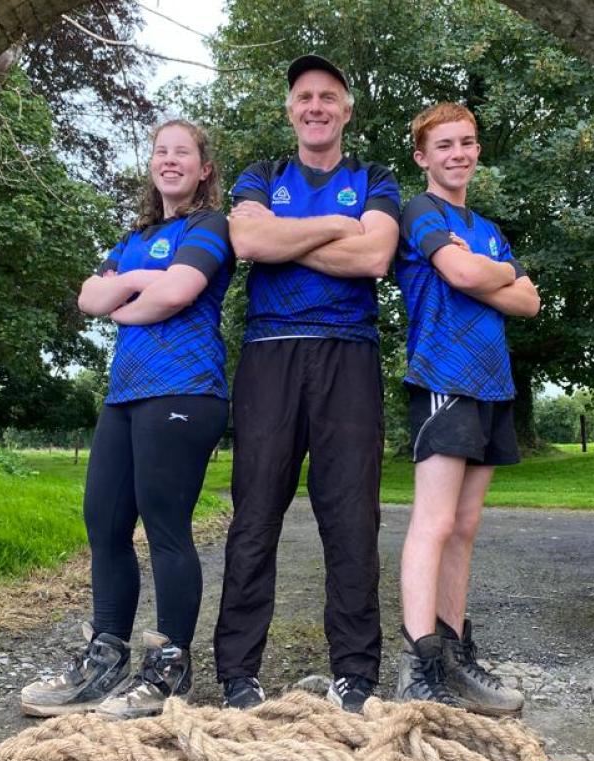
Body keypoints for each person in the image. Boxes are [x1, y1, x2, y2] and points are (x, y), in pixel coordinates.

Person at [21, 120, 234, 719]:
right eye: (160, 152)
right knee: (104, 522)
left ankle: (169, 668)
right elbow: (91, 298)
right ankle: (104, 657)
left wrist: (133, 294)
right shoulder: (134, 235)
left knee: (165, 526)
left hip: (187, 390)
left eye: (182, 153)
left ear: (203, 168)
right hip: (124, 396)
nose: (170, 161)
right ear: (152, 164)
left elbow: (179, 292)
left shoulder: (209, 226)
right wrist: (144, 286)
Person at [213, 55, 401, 714]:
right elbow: (245, 238)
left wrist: (281, 240)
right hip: (269, 354)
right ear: (290, 109)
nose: (316, 106)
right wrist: (330, 229)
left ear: (347, 109)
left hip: (349, 356)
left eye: (328, 96)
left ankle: (355, 672)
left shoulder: (373, 177)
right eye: (304, 96)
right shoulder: (263, 174)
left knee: (352, 518)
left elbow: (375, 255)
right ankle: (238, 672)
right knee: (255, 515)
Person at [393, 102, 540, 715]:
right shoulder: (420, 210)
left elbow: (529, 301)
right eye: (445, 144)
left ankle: (454, 655)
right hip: (442, 379)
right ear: (423, 156)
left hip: (492, 384)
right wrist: (495, 274)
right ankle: (417, 660)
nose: (458, 153)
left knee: (466, 526)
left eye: (468, 142)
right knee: (433, 522)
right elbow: (455, 272)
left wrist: (496, 269)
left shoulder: (487, 227)